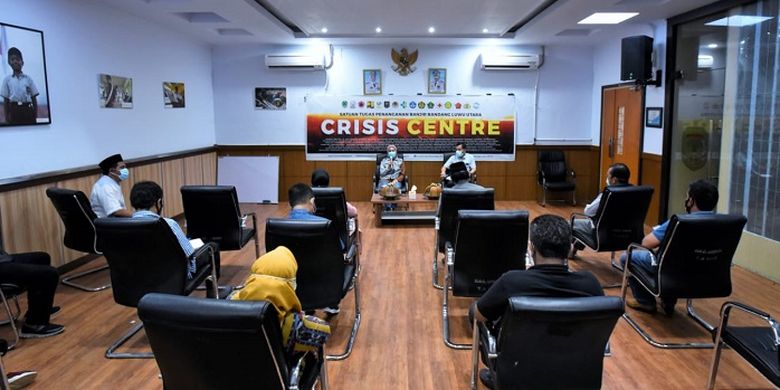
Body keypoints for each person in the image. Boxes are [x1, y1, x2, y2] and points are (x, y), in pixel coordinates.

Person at [470, 214, 603, 389]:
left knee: (476, 312)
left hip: (517, 372)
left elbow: (479, 316)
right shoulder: (591, 284)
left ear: (532, 247)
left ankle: (498, 375)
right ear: (570, 247)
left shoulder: (512, 282)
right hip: (575, 372)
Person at [621, 179, 718, 315]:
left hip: (672, 270)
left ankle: (645, 301)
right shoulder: (723, 224)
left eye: (687, 196)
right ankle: (668, 301)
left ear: (691, 201)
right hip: (706, 278)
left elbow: (646, 243)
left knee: (628, 257)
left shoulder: (680, 222)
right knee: (678, 261)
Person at [232, 246, 330, 377]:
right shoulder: (294, 326)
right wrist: (302, 317)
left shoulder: (229, 308)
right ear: (289, 283)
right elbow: (324, 333)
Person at [129, 181, 198, 279]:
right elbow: (189, 254)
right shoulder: (168, 224)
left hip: (136, 279)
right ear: (159, 202)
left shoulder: (121, 227)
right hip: (172, 278)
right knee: (210, 248)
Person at [570, 163, 631, 257]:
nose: (607, 179)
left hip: (602, 235)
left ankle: (569, 251)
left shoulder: (608, 194)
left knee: (570, 223)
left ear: (614, 180)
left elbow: (588, 212)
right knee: (587, 224)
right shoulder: (637, 193)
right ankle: (575, 246)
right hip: (628, 236)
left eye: (608, 176)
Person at [0, 249, 64, 338]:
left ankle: (36, 313)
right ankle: (34, 325)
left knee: (42, 258)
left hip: (3, 259)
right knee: (49, 274)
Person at [1, 47, 39, 125]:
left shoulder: (28, 79)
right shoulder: (7, 80)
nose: (15, 61)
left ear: (22, 62)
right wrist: (6, 117)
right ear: (9, 62)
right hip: (14, 111)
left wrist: (35, 115)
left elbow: (34, 98)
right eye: (12, 59)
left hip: (28, 110)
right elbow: (6, 101)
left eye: (18, 59)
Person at [90, 154, 132, 218]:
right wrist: (136, 216)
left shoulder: (111, 182)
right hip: (107, 225)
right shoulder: (105, 186)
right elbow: (116, 211)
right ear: (112, 170)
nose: (125, 170)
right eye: (122, 167)